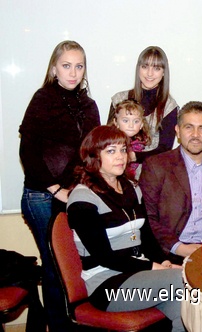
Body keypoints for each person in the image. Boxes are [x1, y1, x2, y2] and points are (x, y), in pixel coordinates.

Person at [67, 125, 184, 331]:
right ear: (93, 156)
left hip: (139, 275)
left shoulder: (131, 188)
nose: (120, 156)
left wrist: (164, 261)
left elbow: (147, 237)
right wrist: (157, 267)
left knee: (186, 309)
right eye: (111, 151)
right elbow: (105, 257)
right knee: (183, 279)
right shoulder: (82, 199)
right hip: (105, 285)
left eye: (123, 149)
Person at [19, 40, 100, 330]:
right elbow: (27, 152)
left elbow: (91, 153)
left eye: (79, 66)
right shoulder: (43, 98)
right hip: (42, 196)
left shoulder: (90, 105)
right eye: (66, 65)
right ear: (54, 68)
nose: (73, 72)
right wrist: (55, 188)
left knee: (74, 265)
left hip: (73, 196)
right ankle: (58, 326)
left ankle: (72, 322)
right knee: (54, 266)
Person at [139, 101, 202, 257]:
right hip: (169, 252)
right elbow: (149, 218)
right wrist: (179, 248)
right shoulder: (156, 166)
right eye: (189, 127)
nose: (195, 135)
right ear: (178, 131)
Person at [107, 46, 178, 163]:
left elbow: (165, 149)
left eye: (156, 68)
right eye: (145, 67)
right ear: (138, 69)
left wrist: (133, 157)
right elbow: (107, 139)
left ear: (164, 72)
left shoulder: (169, 106)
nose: (149, 73)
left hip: (152, 171)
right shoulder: (119, 99)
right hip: (117, 167)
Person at [111, 99, 151, 180]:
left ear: (141, 125)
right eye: (125, 121)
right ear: (116, 122)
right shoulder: (110, 142)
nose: (131, 125)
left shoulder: (141, 143)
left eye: (136, 121)